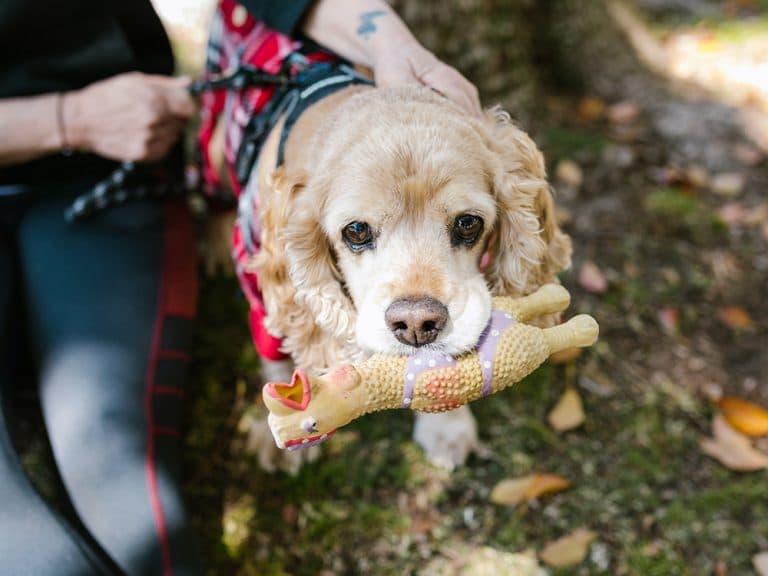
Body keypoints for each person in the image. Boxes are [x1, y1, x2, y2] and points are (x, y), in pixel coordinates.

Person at [0, 1, 480, 574]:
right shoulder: (284, 222)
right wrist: (66, 116)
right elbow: (279, 291)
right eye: (358, 231)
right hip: (83, 130)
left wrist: (391, 43)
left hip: (103, 169)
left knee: (129, 503)